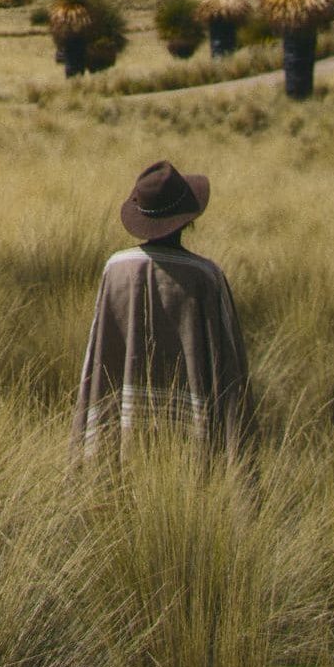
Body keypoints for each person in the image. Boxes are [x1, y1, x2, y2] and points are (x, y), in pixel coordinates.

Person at [70, 159, 252, 462]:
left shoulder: (116, 269)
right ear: (187, 219)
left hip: (123, 430)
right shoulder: (206, 276)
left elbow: (100, 359)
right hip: (191, 438)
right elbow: (229, 367)